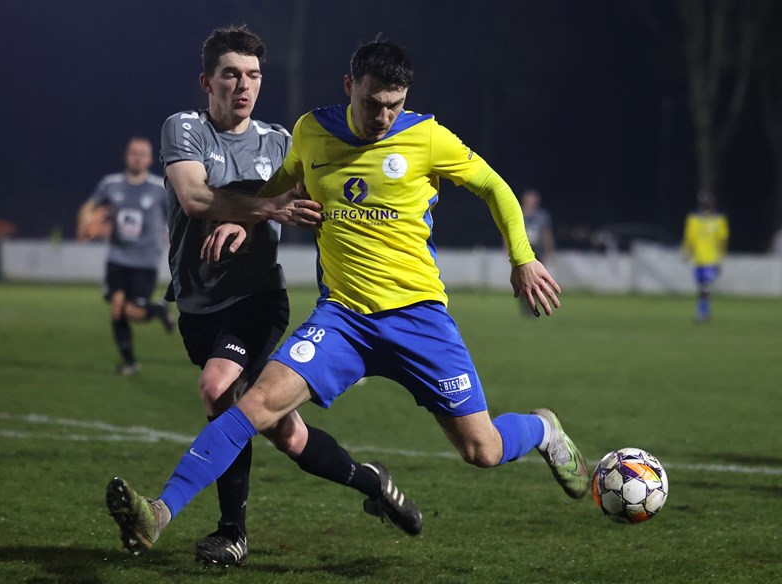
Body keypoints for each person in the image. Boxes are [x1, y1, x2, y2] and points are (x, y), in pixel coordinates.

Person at [105, 37, 588, 554]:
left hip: (419, 319)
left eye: (394, 105)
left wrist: (522, 257)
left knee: (482, 450)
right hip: (343, 321)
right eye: (372, 102)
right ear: (349, 86)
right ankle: (159, 513)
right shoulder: (312, 131)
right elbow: (283, 184)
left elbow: (494, 186)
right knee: (252, 405)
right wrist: (247, 221)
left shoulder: (426, 137)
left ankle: (542, 429)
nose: (383, 116)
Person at [106, 26, 421, 566]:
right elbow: (195, 196)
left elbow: (316, 199)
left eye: (253, 75)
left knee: (217, 389)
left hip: (257, 300)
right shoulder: (185, 128)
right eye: (231, 74)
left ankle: (230, 532)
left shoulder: (279, 142)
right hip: (197, 305)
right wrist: (265, 209)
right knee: (287, 434)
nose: (244, 85)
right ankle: (372, 481)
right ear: (207, 81)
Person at [77, 137, 175, 375]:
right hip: (118, 257)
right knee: (117, 307)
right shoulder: (111, 184)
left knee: (134, 313)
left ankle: (159, 310)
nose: (137, 158)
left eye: (142, 154)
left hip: (146, 260)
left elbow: (176, 217)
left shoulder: (159, 188)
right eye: (133, 153)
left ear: (150, 159)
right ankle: (129, 362)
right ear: (126, 156)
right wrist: (86, 224)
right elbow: (88, 207)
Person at [682, 190, 729, 322]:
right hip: (698, 260)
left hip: (711, 260)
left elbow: (722, 240)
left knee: (705, 288)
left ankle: (701, 313)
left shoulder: (718, 220)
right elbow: (689, 238)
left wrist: (720, 258)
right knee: (702, 288)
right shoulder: (693, 219)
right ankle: (705, 313)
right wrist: (687, 252)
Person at [518, 189, 555, 316]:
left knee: (538, 280)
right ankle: (525, 302)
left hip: (537, 251)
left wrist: (549, 250)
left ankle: (535, 303)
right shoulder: (518, 213)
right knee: (523, 280)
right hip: (522, 251)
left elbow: (547, 234)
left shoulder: (542, 216)